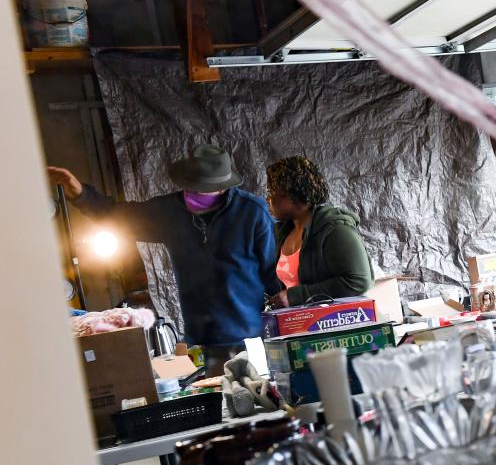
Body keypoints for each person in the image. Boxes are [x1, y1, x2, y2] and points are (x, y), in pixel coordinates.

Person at [48, 144, 280, 371]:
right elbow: (119, 216)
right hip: (205, 338)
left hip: (251, 335)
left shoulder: (252, 212)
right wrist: (78, 192)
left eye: (213, 187)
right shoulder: (171, 212)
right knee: (223, 400)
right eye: (198, 187)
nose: (206, 193)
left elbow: (273, 271)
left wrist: (287, 310)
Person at [265, 156, 373, 308]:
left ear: (291, 195)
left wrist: (298, 296)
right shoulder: (284, 232)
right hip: (302, 325)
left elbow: (359, 281)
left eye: (272, 191)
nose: (268, 198)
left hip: (334, 323)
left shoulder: (335, 229)